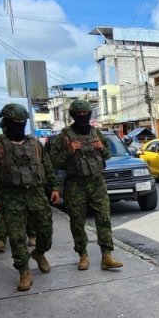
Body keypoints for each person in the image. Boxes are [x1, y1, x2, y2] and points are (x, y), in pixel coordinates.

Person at [0, 104, 60, 292]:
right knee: (17, 237)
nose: (19, 126)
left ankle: (39, 253)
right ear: (6, 123)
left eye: (22, 122)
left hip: (36, 194)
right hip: (11, 197)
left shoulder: (34, 144)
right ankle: (24, 272)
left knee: (45, 232)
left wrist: (54, 187)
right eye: (15, 122)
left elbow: (47, 166)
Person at [48, 99, 121, 271]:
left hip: (97, 182)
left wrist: (101, 147)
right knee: (77, 221)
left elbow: (108, 155)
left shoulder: (96, 133)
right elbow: (52, 162)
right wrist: (69, 151)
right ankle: (82, 255)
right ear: (73, 115)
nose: (82, 116)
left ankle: (107, 256)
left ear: (89, 114)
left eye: (85, 113)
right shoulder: (64, 136)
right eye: (78, 114)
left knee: (103, 219)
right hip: (75, 184)